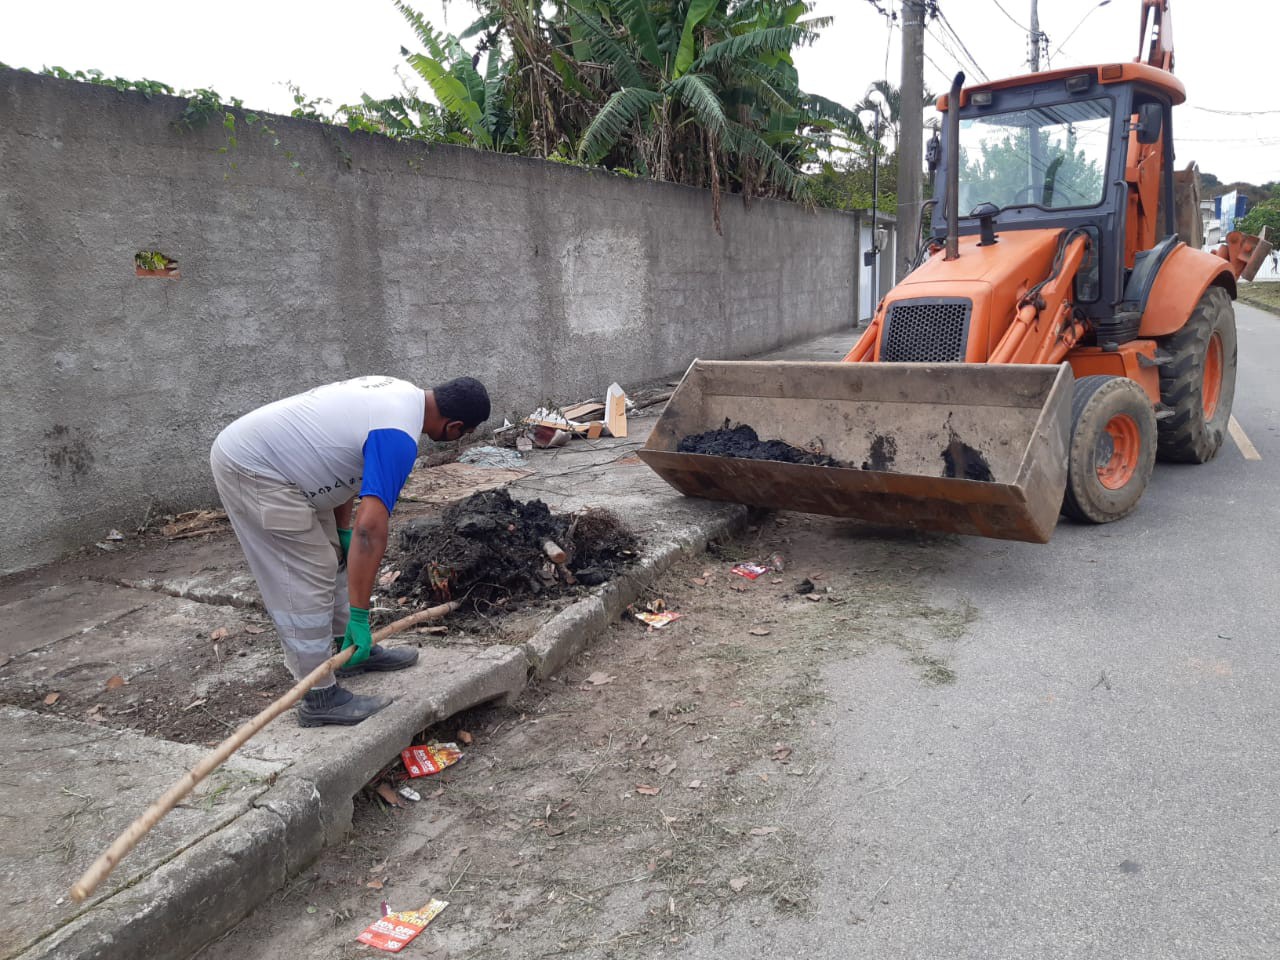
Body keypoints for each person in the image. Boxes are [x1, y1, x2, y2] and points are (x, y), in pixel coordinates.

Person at [209, 375, 491, 727]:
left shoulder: (399, 396)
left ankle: (351, 652)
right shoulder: (398, 437)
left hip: (284, 468)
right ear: (455, 426)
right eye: (462, 435)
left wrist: (342, 531)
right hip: (255, 469)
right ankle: (317, 695)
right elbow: (371, 530)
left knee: (336, 558)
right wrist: (361, 614)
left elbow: (345, 469)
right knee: (307, 573)